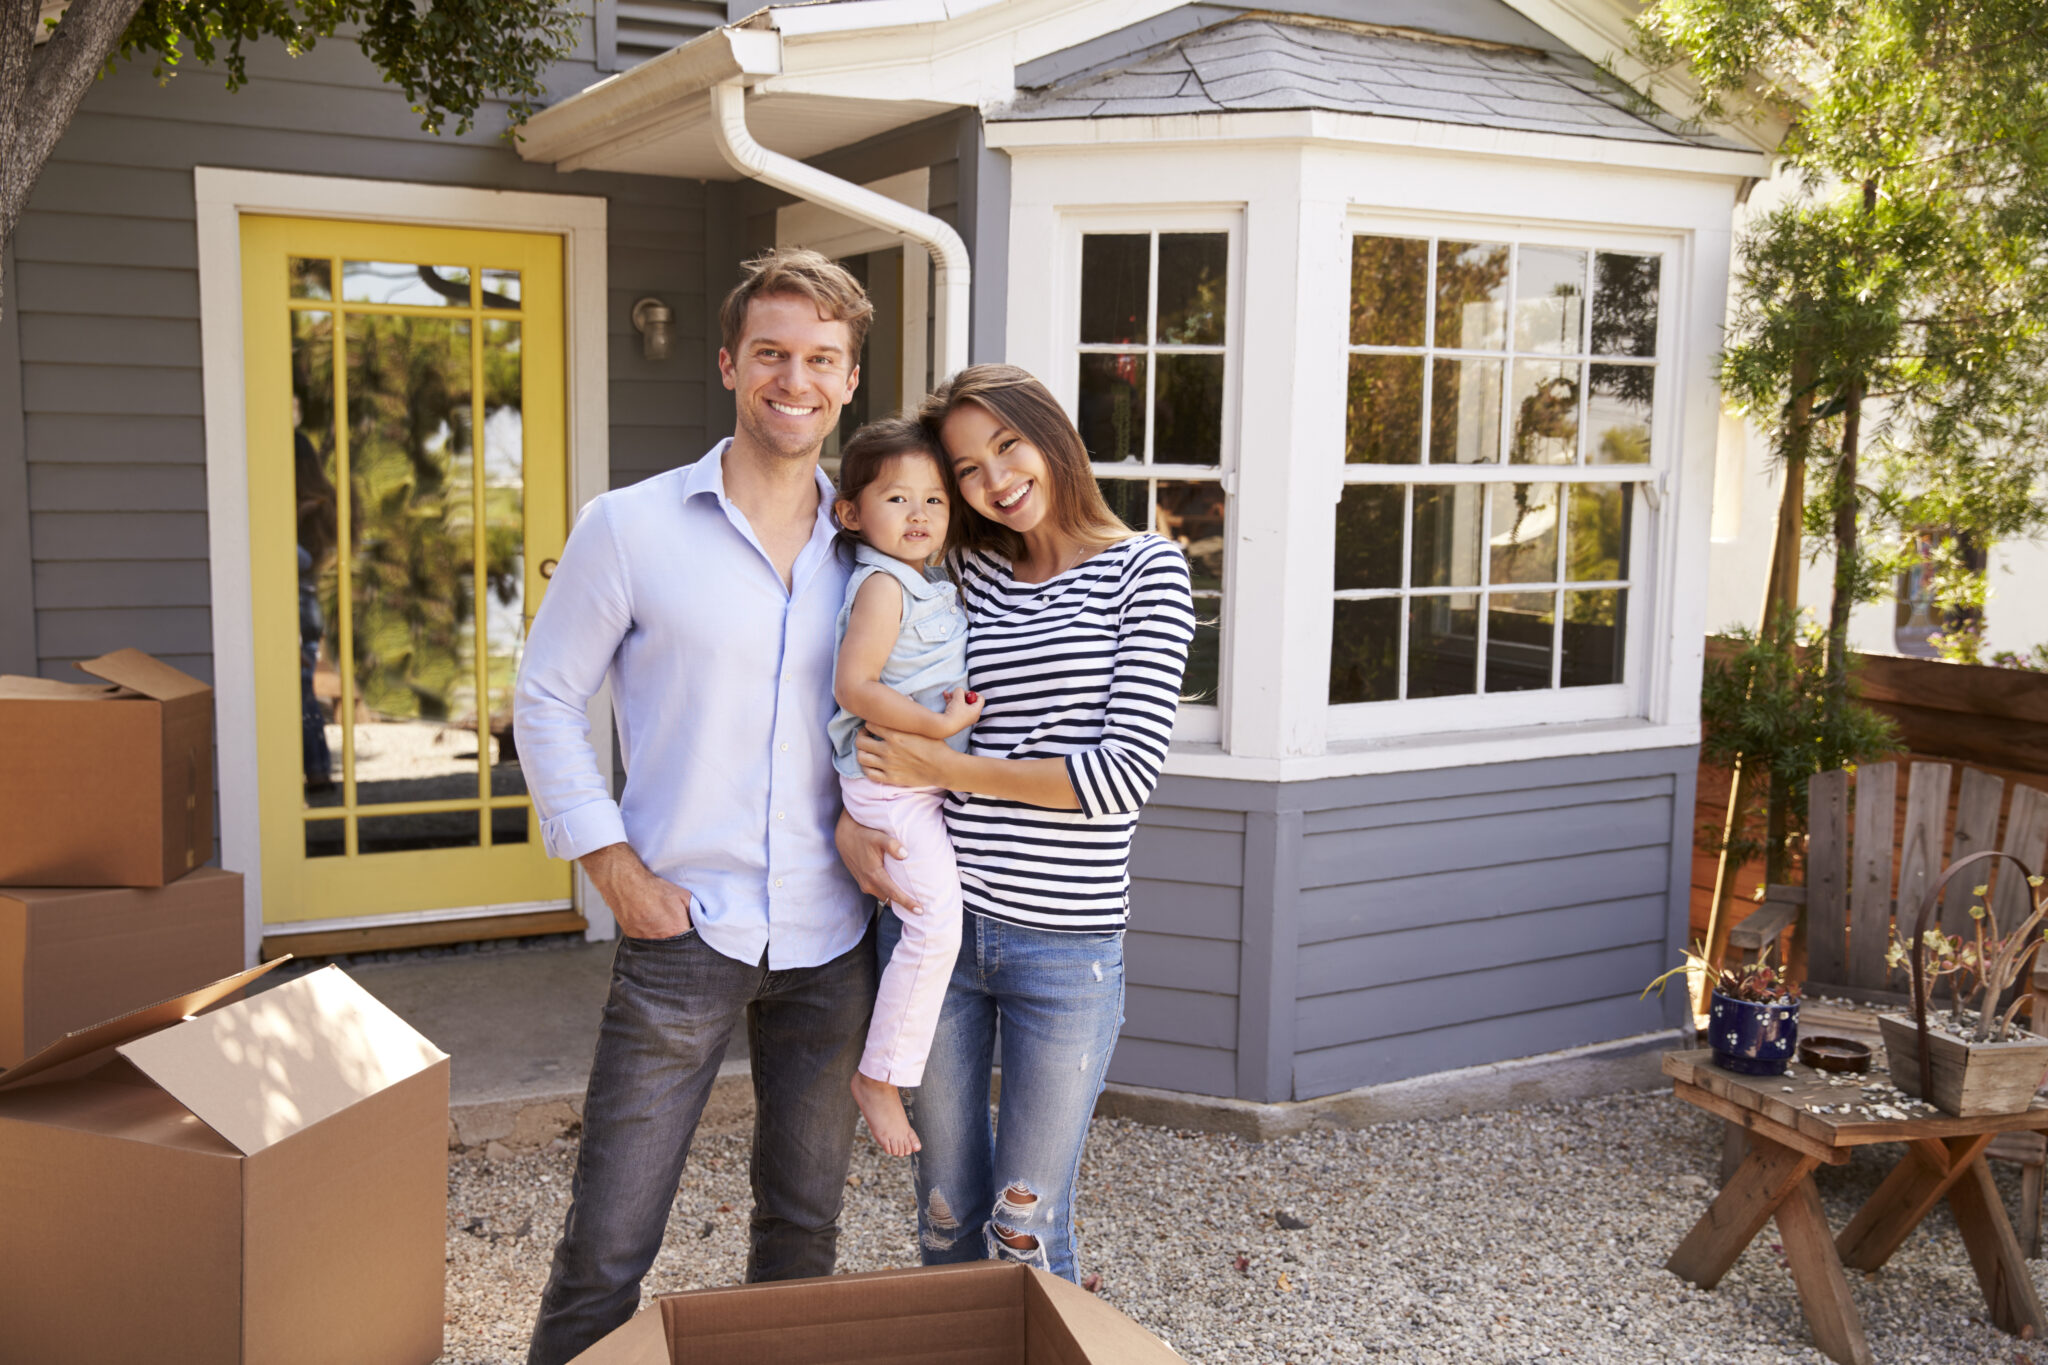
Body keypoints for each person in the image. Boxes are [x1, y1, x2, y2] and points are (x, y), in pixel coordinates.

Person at [515, 248, 877, 1365]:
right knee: (610, 1241)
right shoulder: (630, 527)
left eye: (821, 359)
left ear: (850, 381)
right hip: (683, 929)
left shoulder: (874, 545)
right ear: (729, 362)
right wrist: (608, 863)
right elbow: (543, 695)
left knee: (802, 1230)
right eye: (772, 353)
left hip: (833, 935)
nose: (794, 379)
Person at [836, 364, 1195, 1283]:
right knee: (944, 1212)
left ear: (1051, 433)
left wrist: (945, 767)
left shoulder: (1147, 571)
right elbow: (852, 667)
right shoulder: (966, 571)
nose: (992, 480)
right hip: (935, 929)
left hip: (1066, 951)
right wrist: (848, 825)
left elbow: (1120, 778)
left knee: (1023, 1223)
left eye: (1006, 446)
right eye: (965, 469)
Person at [825, 417, 981, 1157]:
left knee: (931, 918)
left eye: (935, 500)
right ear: (851, 512)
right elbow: (854, 685)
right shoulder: (884, 586)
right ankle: (880, 1076)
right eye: (896, 499)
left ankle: (887, 1069)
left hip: (912, 782)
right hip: (891, 783)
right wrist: (936, 727)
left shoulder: (927, 581)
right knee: (934, 923)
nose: (919, 515)